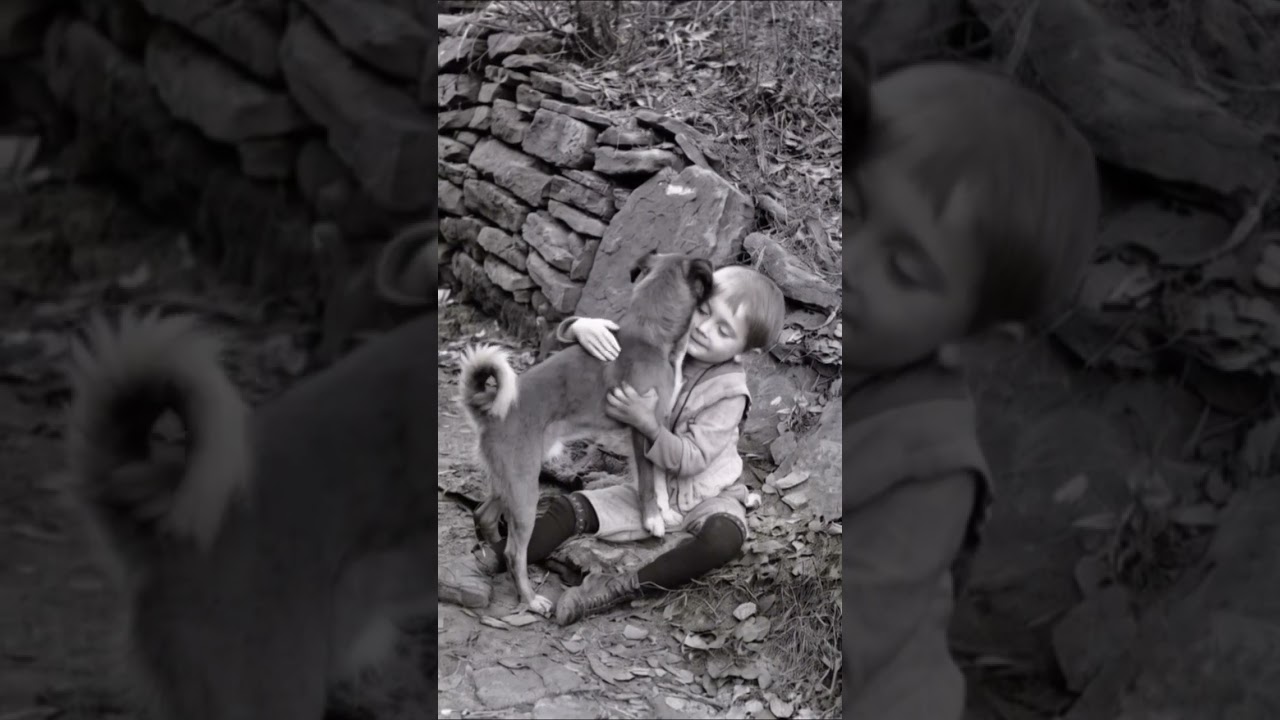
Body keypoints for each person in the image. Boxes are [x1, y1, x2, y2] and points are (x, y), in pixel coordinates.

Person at [842, 55, 1101, 719]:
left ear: (975, 337)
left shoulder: (925, 471)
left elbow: (830, 646)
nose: (846, 262)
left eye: (904, 269)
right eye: (846, 210)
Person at [440, 265, 786, 625]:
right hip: (648, 492)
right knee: (566, 510)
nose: (704, 327)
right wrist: (577, 327)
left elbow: (693, 459)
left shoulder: (729, 392)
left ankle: (617, 588)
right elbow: (597, 351)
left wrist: (647, 423)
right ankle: (483, 562)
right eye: (703, 310)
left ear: (745, 351)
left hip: (707, 494)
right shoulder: (662, 345)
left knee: (723, 538)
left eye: (723, 330)